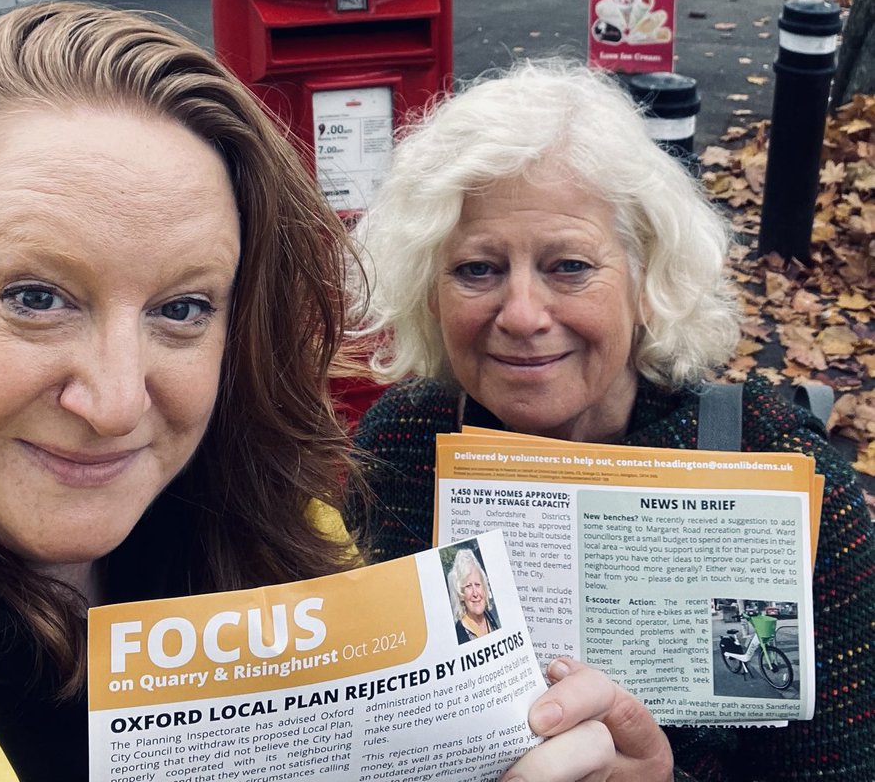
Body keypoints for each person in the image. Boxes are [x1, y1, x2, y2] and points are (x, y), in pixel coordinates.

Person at [0, 5, 647, 782]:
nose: (117, 403)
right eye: (33, 297)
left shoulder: (284, 536)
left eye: (183, 309)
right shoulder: (392, 444)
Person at [350, 57, 875, 782]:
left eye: (569, 266)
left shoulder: (784, 477)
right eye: (477, 270)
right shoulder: (402, 447)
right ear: (429, 292)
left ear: (646, 279)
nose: (523, 315)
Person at [446, 547, 499, 643]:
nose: (475, 593)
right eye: (468, 586)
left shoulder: (489, 617)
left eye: (477, 584)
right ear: (461, 595)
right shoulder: (459, 636)